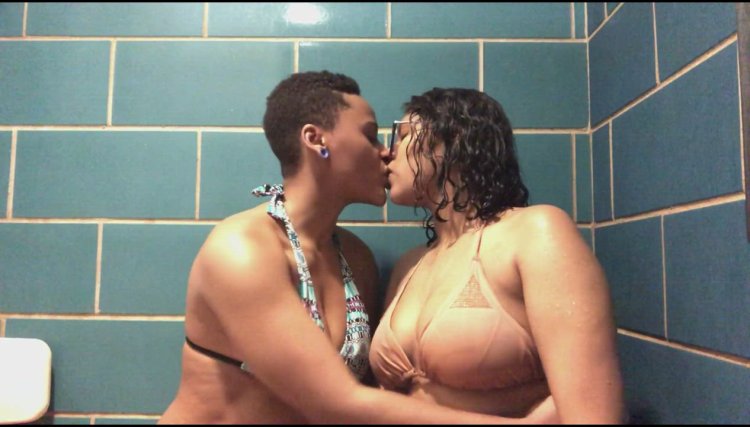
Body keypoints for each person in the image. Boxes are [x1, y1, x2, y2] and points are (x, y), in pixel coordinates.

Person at [159, 71, 557, 424]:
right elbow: (337, 404)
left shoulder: (356, 259)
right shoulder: (242, 250)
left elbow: (374, 399)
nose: (386, 151)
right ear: (317, 140)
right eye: (369, 135)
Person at [370, 88, 625, 424]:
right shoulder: (410, 264)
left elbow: (594, 415)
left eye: (403, 136)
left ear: (453, 139)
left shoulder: (535, 232)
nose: (389, 153)